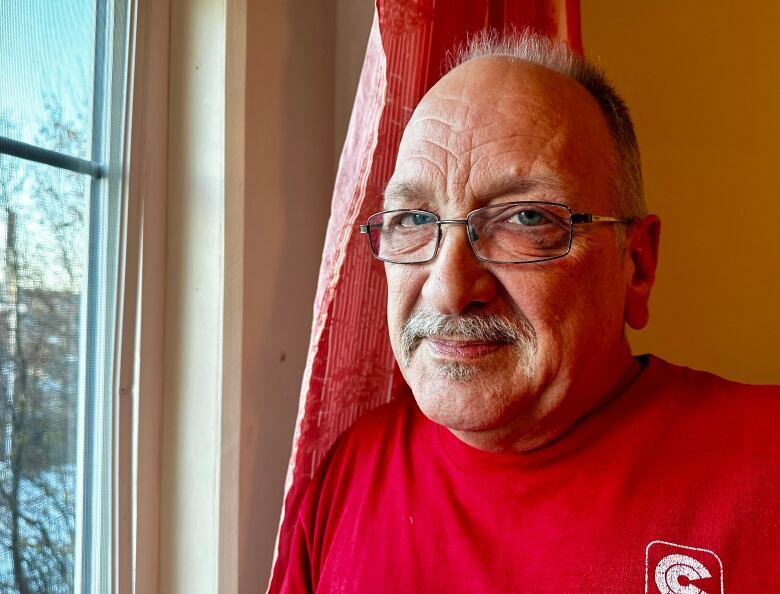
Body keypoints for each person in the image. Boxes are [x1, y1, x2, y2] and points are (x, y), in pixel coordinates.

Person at [273, 32, 780, 593]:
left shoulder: (766, 464)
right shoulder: (347, 476)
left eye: (526, 219)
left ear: (635, 264)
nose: (448, 289)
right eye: (414, 221)